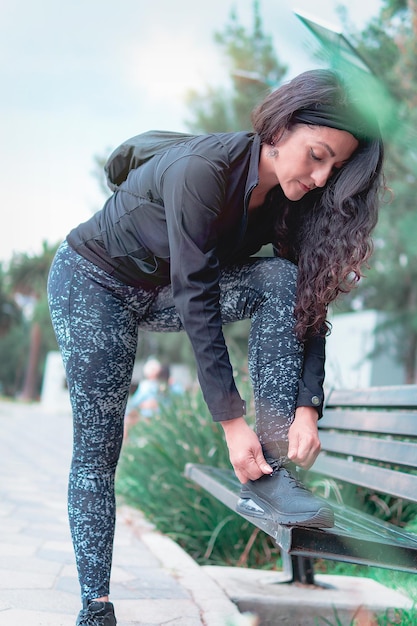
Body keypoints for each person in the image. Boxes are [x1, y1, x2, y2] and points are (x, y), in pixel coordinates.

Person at [47, 68, 384, 625]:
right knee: (98, 450)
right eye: (317, 155)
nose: (323, 178)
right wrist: (232, 423)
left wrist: (306, 406)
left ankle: (270, 478)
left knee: (282, 279)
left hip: (161, 292)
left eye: (335, 168)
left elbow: (308, 298)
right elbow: (197, 297)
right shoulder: (203, 171)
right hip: (95, 283)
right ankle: (95, 608)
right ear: (280, 128)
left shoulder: (290, 201)